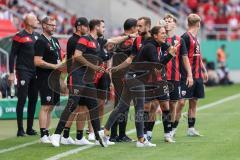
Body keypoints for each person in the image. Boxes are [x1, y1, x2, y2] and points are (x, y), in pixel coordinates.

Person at [51, 19, 136, 147]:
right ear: (96, 27)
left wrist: (128, 36)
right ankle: (56, 134)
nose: (104, 29)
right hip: (77, 76)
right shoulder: (85, 39)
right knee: (72, 104)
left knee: (93, 106)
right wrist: (94, 67)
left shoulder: (98, 41)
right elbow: (77, 56)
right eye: (103, 26)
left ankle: (97, 137)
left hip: (88, 79)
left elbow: (113, 40)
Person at [99, 25, 178, 147]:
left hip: (132, 77)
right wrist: (170, 55)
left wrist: (171, 47)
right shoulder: (151, 47)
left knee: (121, 106)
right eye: (162, 33)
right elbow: (157, 67)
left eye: (165, 33)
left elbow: (165, 45)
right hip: (137, 80)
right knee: (139, 109)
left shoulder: (153, 44)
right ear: (155, 35)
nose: (165, 35)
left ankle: (104, 132)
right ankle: (141, 140)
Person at [61, 17, 94, 145]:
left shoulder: (77, 40)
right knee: (74, 107)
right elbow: (77, 59)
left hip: (81, 77)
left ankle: (77, 136)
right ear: (79, 27)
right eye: (86, 26)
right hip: (76, 77)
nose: (87, 29)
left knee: (82, 107)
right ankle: (66, 135)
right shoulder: (75, 40)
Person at [175, 14, 208, 136]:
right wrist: (188, 74)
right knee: (181, 103)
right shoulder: (185, 37)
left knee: (194, 102)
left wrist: (203, 69)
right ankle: (172, 129)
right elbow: (182, 57)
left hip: (198, 74)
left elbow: (198, 56)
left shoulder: (196, 38)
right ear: (198, 24)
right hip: (187, 75)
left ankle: (191, 128)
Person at [9, 13, 39, 137]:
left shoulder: (37, 36)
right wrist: (11, 73)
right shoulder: (19, 36)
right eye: (35, 19)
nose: (37, 21)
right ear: (28, 22)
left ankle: (29, 128)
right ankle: (20, 129)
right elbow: (12, 55)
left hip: (35, 72)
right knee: (22, 99)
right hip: (23, 71)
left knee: (33, 99)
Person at [163, 14, 193, 138]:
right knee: (158, 105)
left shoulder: (179, 40)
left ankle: (171, 129)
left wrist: (190, 75)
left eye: (170, 21)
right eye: (166, 21)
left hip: (175, 77)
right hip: (161, 77)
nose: (167, 23)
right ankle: (147, 132)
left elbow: (185, 58)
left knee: (175, 104)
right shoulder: (159, 39)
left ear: (175, 24)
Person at [34, 16, 62, 143]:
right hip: (45, 77)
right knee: (45, 105)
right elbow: (37, 61)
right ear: (44, 25)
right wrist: (54, 66)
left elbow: (58, 59)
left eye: (55, 25)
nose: (54, 27)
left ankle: (47, 131)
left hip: (55, 77)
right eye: (51, 25)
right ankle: (43, 134)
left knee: (51, 106)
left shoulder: (55, 40)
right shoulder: (40, 41)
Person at [110, 18, 137, 142]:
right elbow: (131, 53)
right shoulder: (126, 40)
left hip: (123, 75)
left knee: (123, 105)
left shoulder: (122, 39)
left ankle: (120, 134)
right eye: (137, 27)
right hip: (121, 75)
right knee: (121, 104)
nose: (138, 29)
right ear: (132, 28)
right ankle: (114, 134)